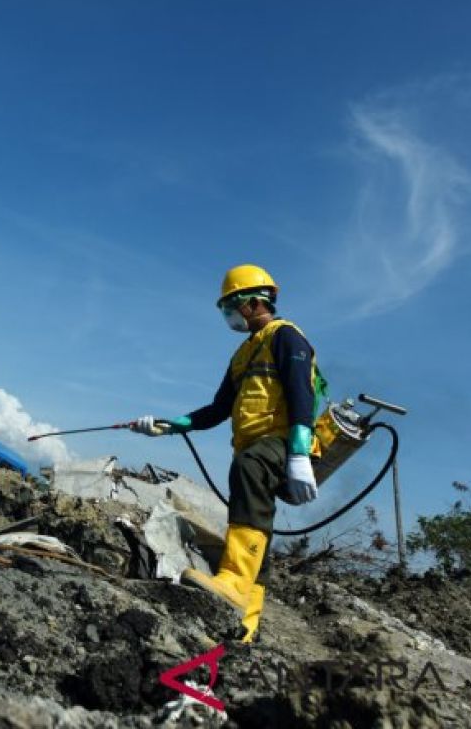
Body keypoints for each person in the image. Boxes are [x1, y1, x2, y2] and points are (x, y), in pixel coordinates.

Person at [131, 264, 325, 644]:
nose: (230, 317)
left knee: (248, 468)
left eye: (232, 307)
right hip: (255, 445)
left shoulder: (286, 337)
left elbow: (302, 392)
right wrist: (169, 425)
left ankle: (234, 581)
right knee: (256, 531)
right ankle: (246, 626)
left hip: (282, 439)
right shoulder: (243, 354)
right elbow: (219, 409)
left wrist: (300, 452)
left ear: (254, 302)